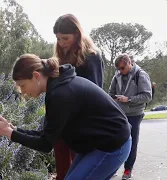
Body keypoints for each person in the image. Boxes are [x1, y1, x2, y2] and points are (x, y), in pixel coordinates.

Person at [0, 54, 131, 180]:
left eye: (22, 85)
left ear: (36, 76)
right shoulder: (58, 87)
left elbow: (46, 144)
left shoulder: (61, 94)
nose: (22, 92)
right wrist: (15, 130)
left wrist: (10, 134)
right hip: (99, 143)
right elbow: (47, 134)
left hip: (113, 144)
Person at [52, 14, 104, 179]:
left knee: (80, 171)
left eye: (65, 38)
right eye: (58, 39)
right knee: (62, 171)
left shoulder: (91, 57)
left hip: (81, 125)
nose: (61, 43)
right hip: (62, 122)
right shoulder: (61, 56)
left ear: (77, 33)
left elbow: (94, 93)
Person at [108, 54, 152, 180]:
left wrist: (129, 99)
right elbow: (110, 93)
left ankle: (128, 170)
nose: (120, 71)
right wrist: (113, 99)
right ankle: (112, 168)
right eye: (118, 69)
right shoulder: (117, 75)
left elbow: (147, 96)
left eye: (122, 68)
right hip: (119, 113)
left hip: (134, 114)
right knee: (115, 141)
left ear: (129, 63)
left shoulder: (141, 75)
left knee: (132, 142)